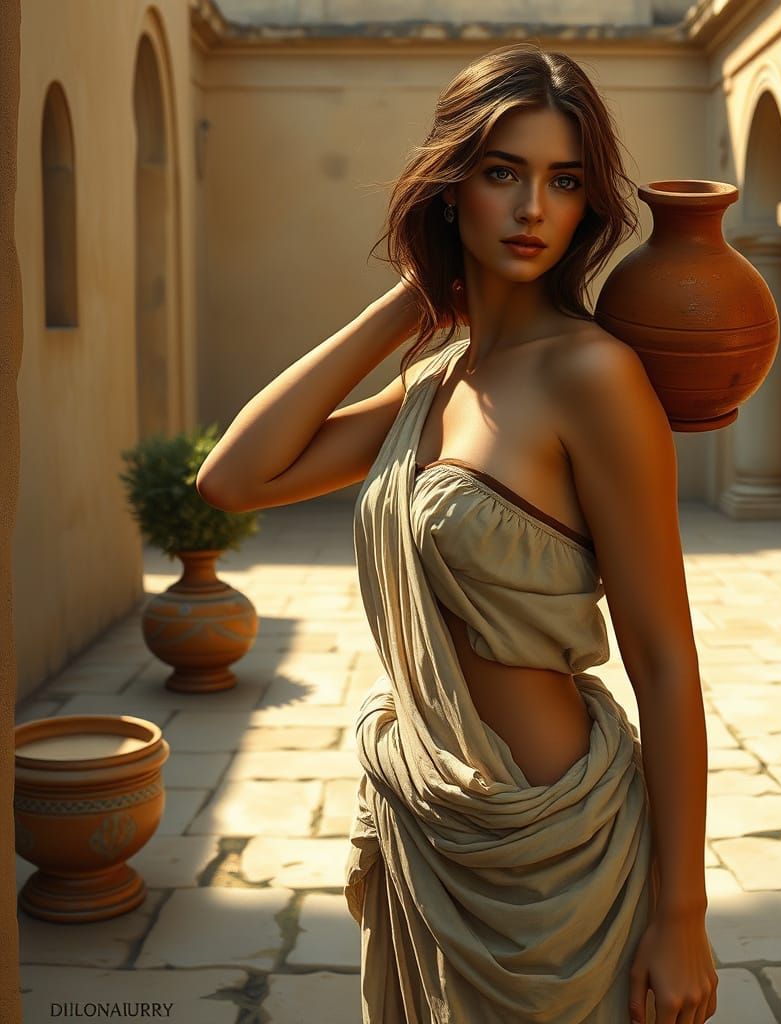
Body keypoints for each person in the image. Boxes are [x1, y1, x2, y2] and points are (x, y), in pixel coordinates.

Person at [197, 41, 716, 1024]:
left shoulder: (594, 378)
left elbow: (662, 655)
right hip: (425, 824)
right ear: (449, 190)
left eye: (563, 181)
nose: (532, 209)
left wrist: (682, 913)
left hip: (554, 858)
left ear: (587, 204)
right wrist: (407, 305)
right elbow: (233, 477)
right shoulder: (431, 386)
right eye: (499, 173)